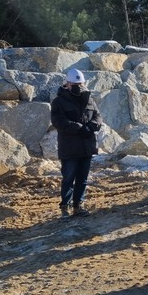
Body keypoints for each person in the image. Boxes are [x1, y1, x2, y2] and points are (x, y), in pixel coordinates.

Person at [50, 68, 102, 218]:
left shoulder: (89, 99)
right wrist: (79, 128)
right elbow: (58, 121)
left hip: (86, 146)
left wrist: (91, 127)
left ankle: (78, 205)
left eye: (80, 84)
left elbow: (98, 116)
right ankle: (65, 207)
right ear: (67, 84)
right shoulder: (59, 102)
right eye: (75, 84)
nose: (78, 87)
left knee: (82, 179)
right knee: (68, 178)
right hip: (69, 147)